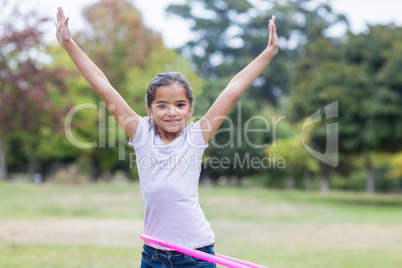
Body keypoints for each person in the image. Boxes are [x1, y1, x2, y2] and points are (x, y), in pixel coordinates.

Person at [55, 6, 278, 268]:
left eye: (180, 105)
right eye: (162, 105)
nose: (172, 112)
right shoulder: (140, 134)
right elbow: (104, 87)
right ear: (149, 110)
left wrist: (269, 52)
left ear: (190, 110)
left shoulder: (197, 136)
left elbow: (233, 89)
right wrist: (69, 43)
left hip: (195, 253)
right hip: (153, 255)